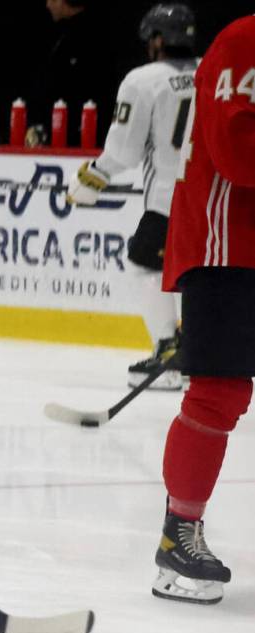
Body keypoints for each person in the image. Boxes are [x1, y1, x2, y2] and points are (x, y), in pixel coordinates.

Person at [147, 14, 255, 605]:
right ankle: (176, 537)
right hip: (226, 241)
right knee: (219, 391)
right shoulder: (244, 41)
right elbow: (237, 154)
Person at [67, 4, 197, 390]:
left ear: (157, 40)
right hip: (211, 202)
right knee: (200, 278)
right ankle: (198, 353)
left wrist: (92, 179)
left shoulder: (143, 80)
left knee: (144, 263)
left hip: (168, 200)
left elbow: (124, 150)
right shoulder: (211, 70)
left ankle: (169, 352)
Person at [25, 0, 115, 148]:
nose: (48, 4)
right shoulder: (60, 33)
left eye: (52, 0)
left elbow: (90, 90)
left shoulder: (92, 36)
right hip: (57, 132)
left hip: (78, 140)